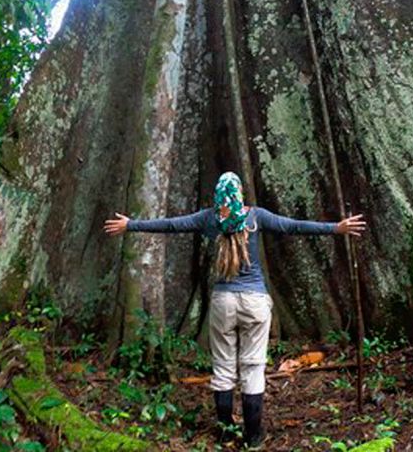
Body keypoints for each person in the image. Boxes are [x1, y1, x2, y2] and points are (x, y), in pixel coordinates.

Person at [104, 171, 366, 449]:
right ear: (240, 193)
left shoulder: (209, 218)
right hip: (255, 301)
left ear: (218, 195)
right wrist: (336, 228)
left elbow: (171, 225)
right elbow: (294, 226)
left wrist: (131, 225)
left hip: (223, 303)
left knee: (224, 368)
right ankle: (253, 438)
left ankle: (225, 432)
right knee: (253, 368)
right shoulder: (257, 216)